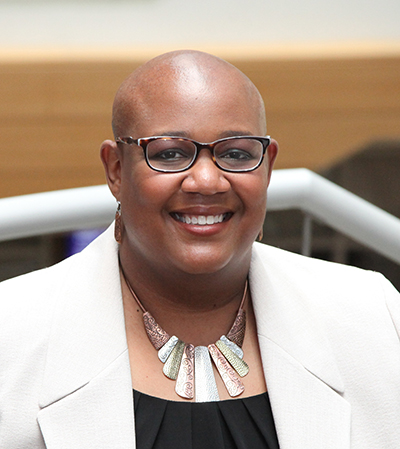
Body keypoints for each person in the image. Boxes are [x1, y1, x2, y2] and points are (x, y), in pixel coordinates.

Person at [0, 50, 399, 449]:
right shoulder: (12, 334)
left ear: (268, 166)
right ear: (116, 169)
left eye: (236, 153)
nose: (207, 181)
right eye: (170, 153)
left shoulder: (372, 316)